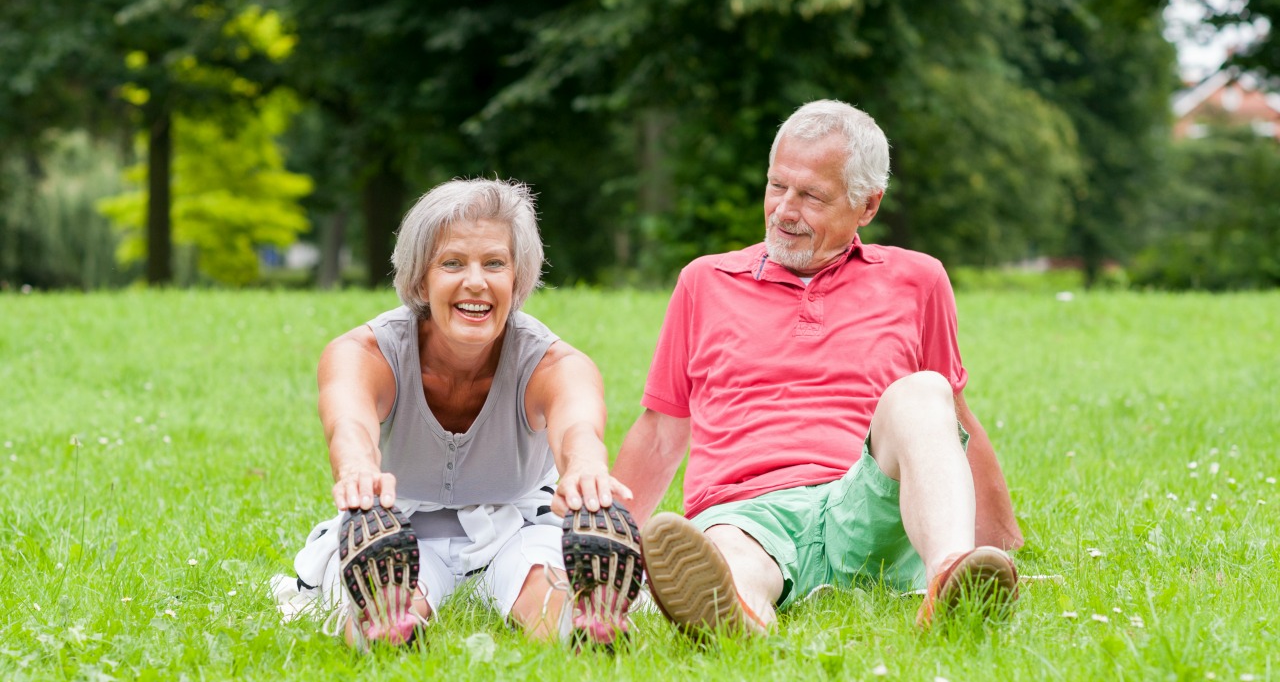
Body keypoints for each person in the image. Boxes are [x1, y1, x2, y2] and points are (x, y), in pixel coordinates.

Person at [612, 100, 1024, 635]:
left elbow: (950, 421)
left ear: (868, 205)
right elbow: (661, 430)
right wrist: (609, 549)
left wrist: (1001, 549)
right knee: (729, 558)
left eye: (811, 196)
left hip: (864, 503)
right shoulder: (703, 283)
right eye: (777, 185)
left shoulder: (918, 280)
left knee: (924, 391)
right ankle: (738, 616)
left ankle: (951, 577)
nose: (784, 210)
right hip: (746, 510)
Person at [271, 179, 640, 649]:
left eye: (494, 263)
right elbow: (349, 423)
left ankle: (586, 624)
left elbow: (579, 428)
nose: (475, 282)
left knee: (540, 580)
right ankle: (386, 623)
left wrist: (585, 471)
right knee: (391, 592)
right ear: (421, 278)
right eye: (451, 263)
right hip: (395, 531)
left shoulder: (555, 364)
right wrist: (358, 470)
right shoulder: (364, 352)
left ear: (517, 277)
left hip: (517, 523)